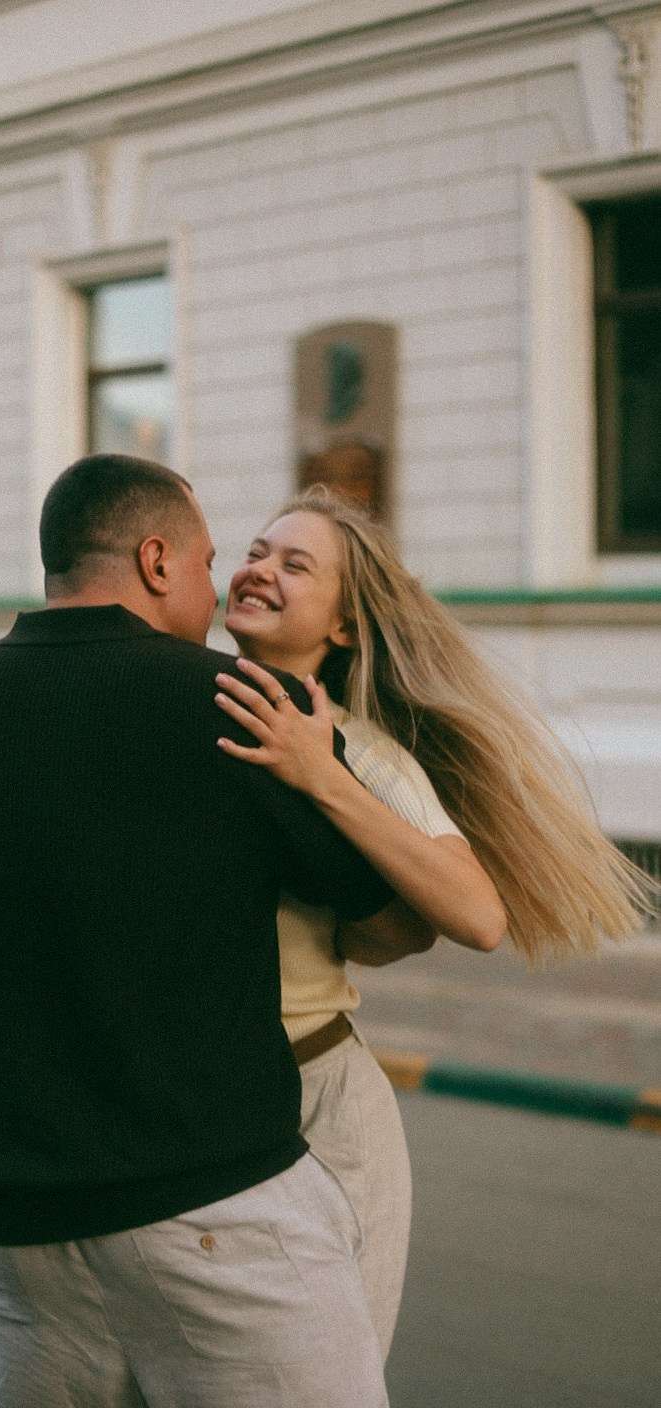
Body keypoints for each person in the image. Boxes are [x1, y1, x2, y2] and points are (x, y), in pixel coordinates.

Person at [0, 454, 445, 1408]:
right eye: (206, 560)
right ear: (154, 561)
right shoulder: (231, 706)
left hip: (20, 1236)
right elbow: (390, 919)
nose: (215, 586)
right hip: (218, 1210)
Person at [210, 484, 655, 1356]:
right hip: (206, 1110)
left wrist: (322, 774)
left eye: (294, 565)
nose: (259, 570)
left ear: (341, 628)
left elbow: (478, 917)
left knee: (332, 1374)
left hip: (323, 1112)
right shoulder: (182, 704)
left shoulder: (364, 753)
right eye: (257, 551)